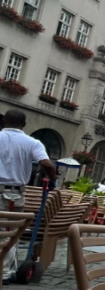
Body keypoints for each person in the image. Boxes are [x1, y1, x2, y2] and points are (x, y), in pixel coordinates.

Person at [0, 110, 57, 281]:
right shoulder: (32, 142)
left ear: (4, 122)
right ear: (23, 125)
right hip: (12, 192)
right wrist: (52, 179)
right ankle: (4, 272)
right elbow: (46, 163)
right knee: (9, 231)